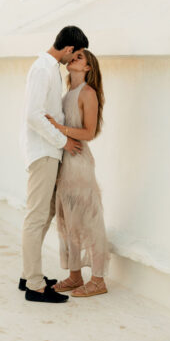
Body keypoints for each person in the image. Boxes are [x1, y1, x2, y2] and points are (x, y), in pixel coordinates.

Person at [19, 25, 88, 304]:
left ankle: (29, 275)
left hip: (49, 151)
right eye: (77, 54)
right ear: (69, 48)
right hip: (44, 151)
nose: (74, 60)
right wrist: (63, 142)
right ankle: (34, 285)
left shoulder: (49, 69)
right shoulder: (43, 69)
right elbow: (33, 115)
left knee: (44, 214)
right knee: (36, 217)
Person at [45, 49, 109, 298]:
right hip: (65, 161)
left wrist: (59, 129)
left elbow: (89, 133)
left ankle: (98, 279)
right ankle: (74, 275)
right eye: (75, 55)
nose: (74, 58)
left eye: (80, 57)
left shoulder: (88, 93)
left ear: (88, 68)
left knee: (89, 221)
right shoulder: (67, 93)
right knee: (68, 221)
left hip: (79, 162)